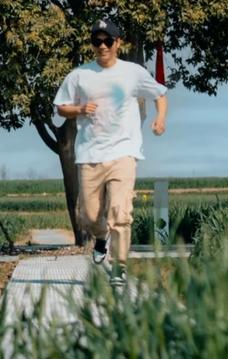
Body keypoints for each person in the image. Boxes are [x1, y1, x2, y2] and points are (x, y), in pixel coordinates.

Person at [53, 18, 168, 286]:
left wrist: (160, 118)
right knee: (89, 216)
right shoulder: (80, 75)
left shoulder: (133, 72)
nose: (102, 46)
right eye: (97, 41)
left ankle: (120, 267)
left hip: (123, 152)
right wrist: (80, 110)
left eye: (107, 41)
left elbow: (160, 94)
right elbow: (61, 107)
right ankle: (101, 238)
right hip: (90, 154)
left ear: (118, 43)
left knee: (121, 212)